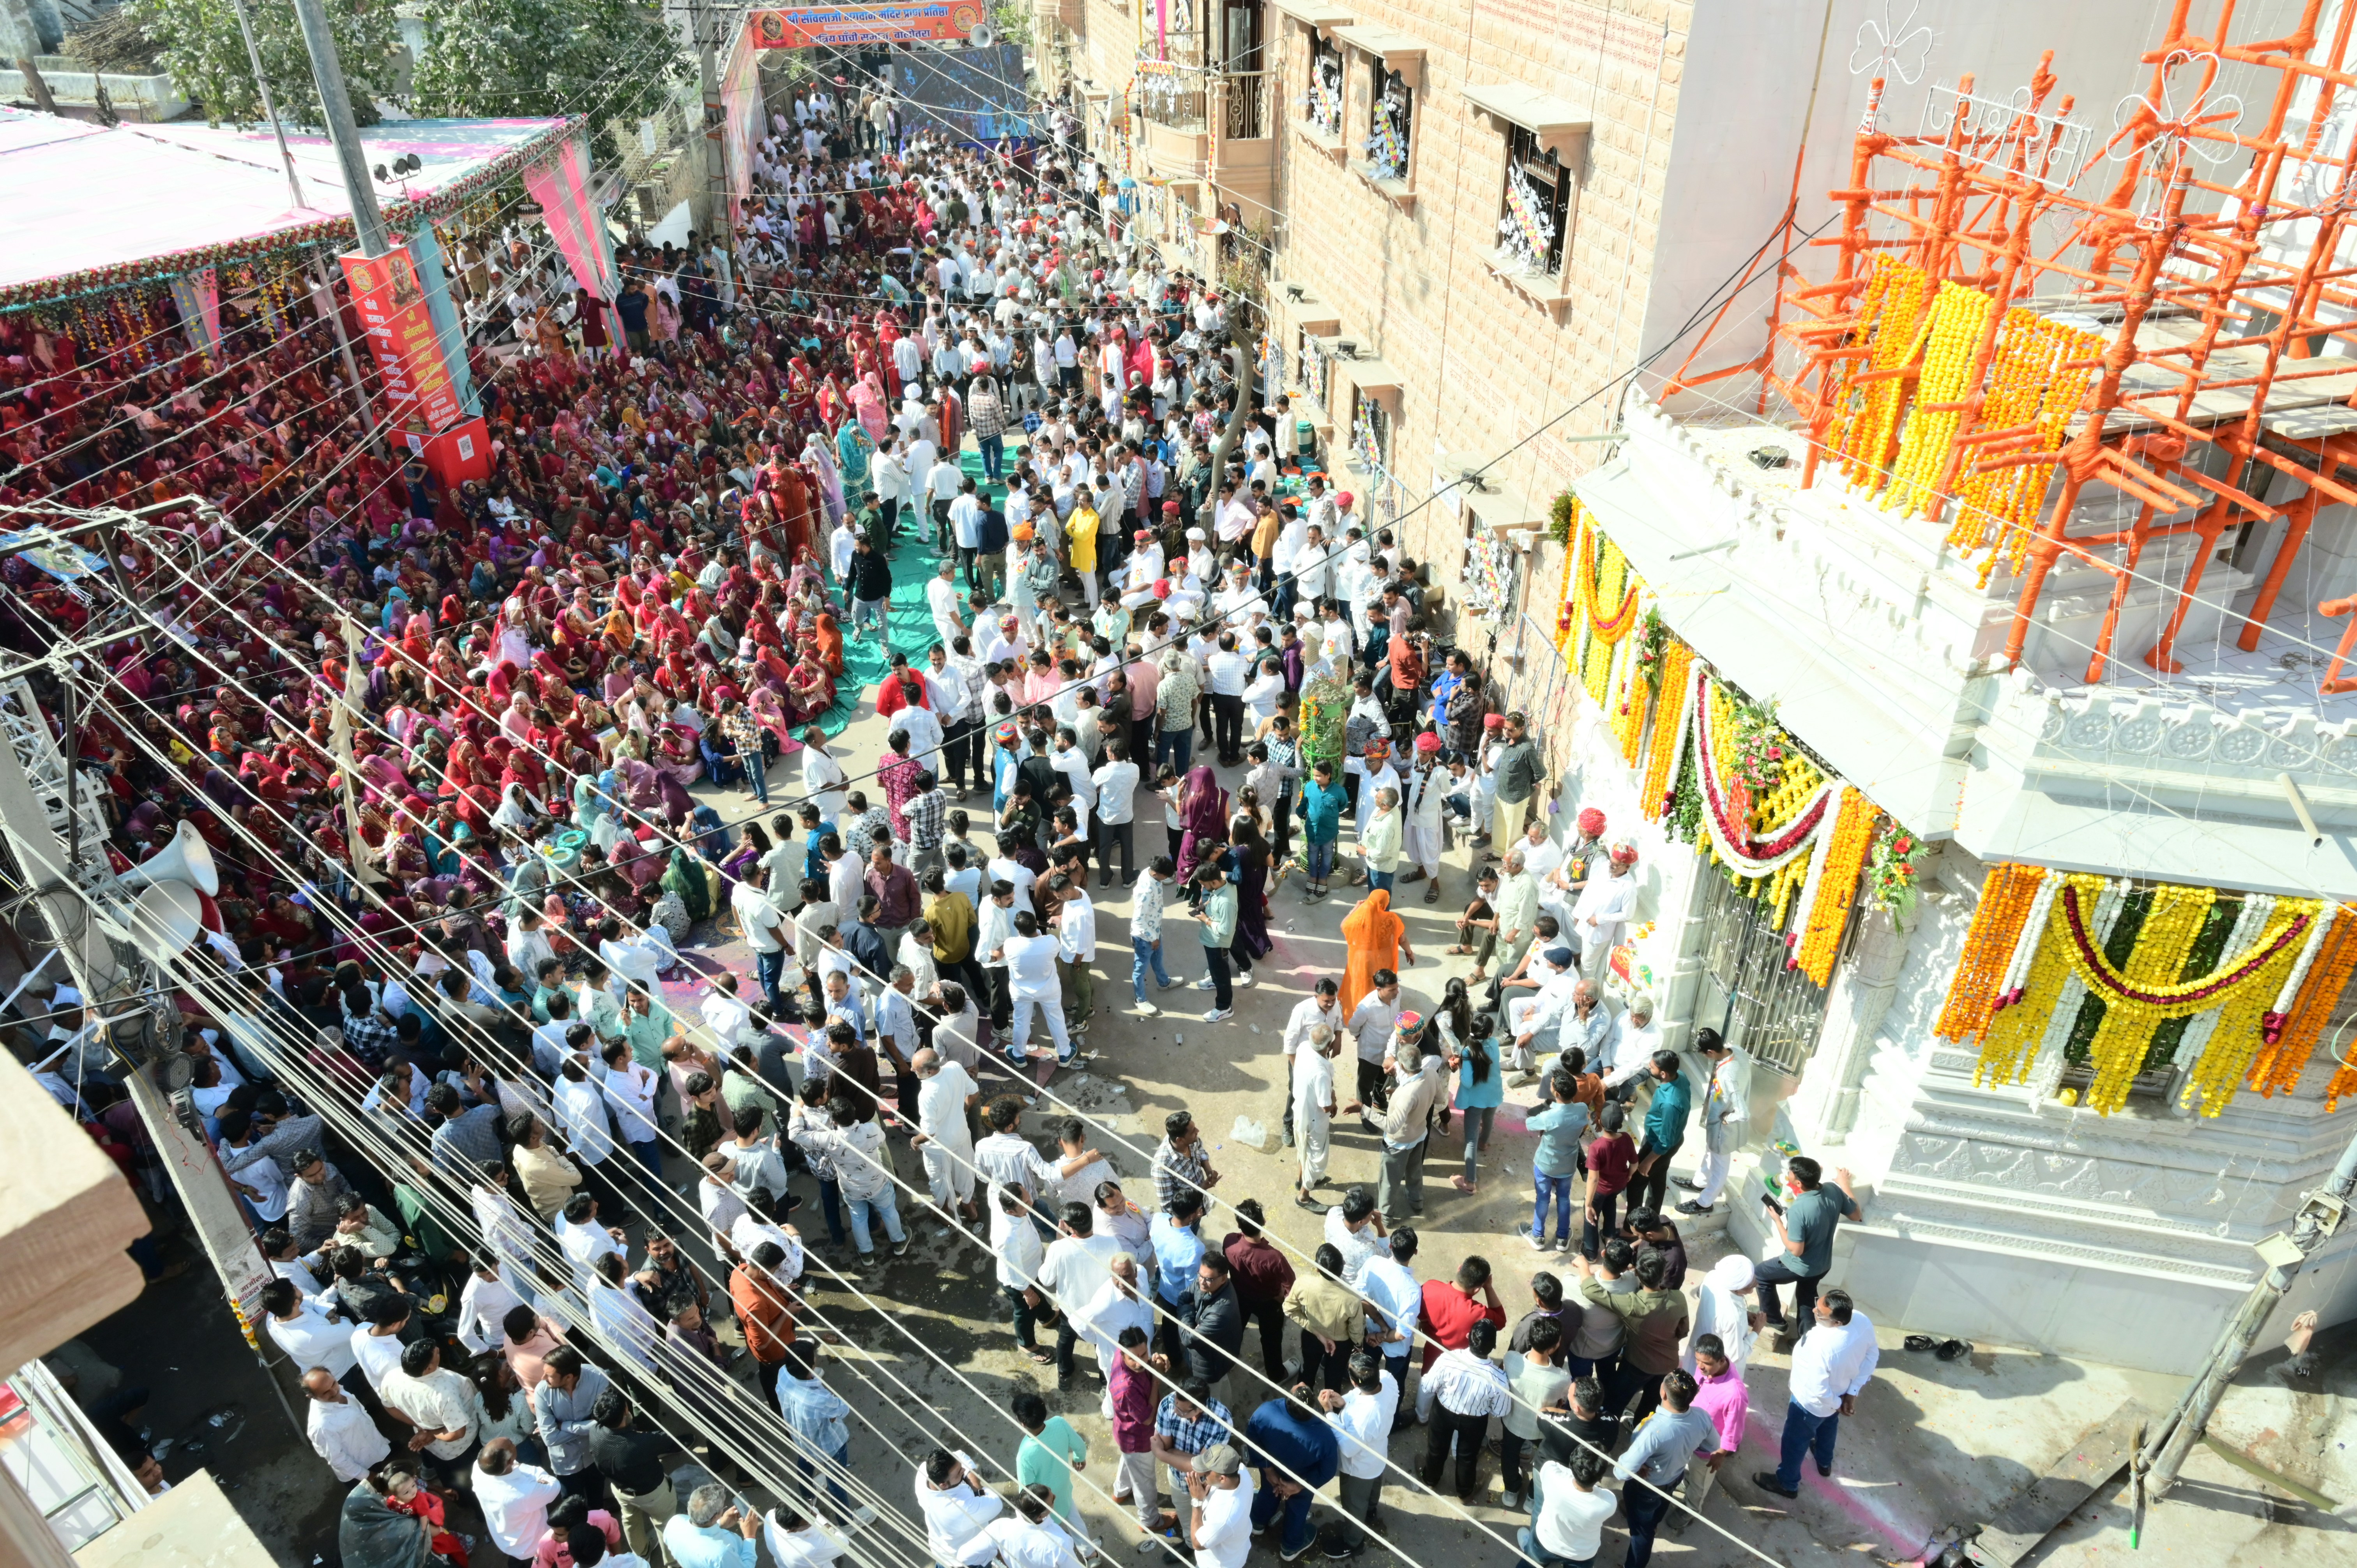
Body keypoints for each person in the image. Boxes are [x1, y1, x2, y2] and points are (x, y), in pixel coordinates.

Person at [1754, 1289, 1878, 1499]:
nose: (1814, 1311)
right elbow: (1872, 1355)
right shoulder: (1862, 1321)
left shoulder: (1822, 1346)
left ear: (1837, 1322)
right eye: (1817, 1305)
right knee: (1829, 1426)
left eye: (1820, 1313)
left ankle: (1787, 1483)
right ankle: (1824, 1462)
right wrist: (1851, 1393)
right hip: (1839, 1393)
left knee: (1795, 1441)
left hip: (1809, 1403)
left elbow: (1818, 1389)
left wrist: (1836, 1403)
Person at [1612, 1369, 1717, 1568]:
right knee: (1660, 1506)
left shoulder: (1654, 1430)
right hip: (1674, 1477)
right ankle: (1652, 1522)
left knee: (1642, 1533)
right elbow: (1713, 1445)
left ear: (1664, 1394)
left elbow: (1621, 1472)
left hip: (1647, 1487)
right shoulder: (1702, 1417)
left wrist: (1640, 1463)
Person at [1755, 1157, 1860, 1343]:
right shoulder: (1833, 1189)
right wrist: (1844, 1183)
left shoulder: (1799, 1209)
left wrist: (1778, 1221)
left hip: (1799, 1266)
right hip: (1822, 1264)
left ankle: (1775, 1320)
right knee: (1806, 1298)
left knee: (1761, 1275)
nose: (1788, 1174)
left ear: (1798, 1183)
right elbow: (1856, 1215)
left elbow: (1796, 1250)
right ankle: (1806, 1340)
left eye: (1790, 1173)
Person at [1240, 1383, 1339, 1561]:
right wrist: (1298, 1486)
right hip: (1302, 1478)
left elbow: (1252, 1438)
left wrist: (1269, 1470)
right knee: (1298, 1509)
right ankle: (1290, 1548)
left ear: (1288, 1404)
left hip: (1272, 1470)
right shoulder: (1325, 1436)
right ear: (1312, 1409)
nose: (1302, 1384)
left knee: (1268, 1491)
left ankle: (1257, 1522)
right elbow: (1328, 1471)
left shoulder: (1266, 1412)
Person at [1317, 1349, 1398, 1552]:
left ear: (1354, 1383)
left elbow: (1347, 1448)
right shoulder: (1388, 1380)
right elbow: (1360, 1397)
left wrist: (1329, 1412)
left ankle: (1353, 1542)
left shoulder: (1365, 1418)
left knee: (1354, 1504)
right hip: (1378, 1456)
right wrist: (1344, 1401)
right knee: (1373, 1489)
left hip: (1359, 1468)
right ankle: (1371, 1512)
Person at [1421, 1317, 1511, 1500]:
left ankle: (1430, 1479)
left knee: (1436, 1448)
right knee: (1467, 1457)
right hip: (1475, 1422)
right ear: (1493, 1346)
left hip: (1443, 1412)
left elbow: (1428, 1387)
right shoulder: (1500, 1379)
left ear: (1469, 1336)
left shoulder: (1447, 1359)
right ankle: (1464, 1491)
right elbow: (1501, 1411)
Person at [1502, 1317, 1572, 1510]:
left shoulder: (1511, 1359)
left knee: (1509, 1455)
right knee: (1543, 1462)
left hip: (1512, 1421)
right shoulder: (1561, 1378)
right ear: (1554, 1347)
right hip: (1541, 1430)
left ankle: (1511, 1492)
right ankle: (1532, 1498)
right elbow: (1563, 1401)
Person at [1678, 1333, 1748, 1524]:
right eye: (1698, 1360)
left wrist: (1721, 1453)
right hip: (1693, 1435)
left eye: (1706, 1364)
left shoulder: (1735, 1394)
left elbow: (1734, 1428)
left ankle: (1691, 1510)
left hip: (1708, 1449)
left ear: (1721, 1360)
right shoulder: (1709, 1370)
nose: (1700, 1367)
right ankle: (1688, 1485)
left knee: (1700, 1482)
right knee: (1690, 1470)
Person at [1677, 1029, 1747, 1217]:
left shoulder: (1727, 1075)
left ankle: (1705, 1202)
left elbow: (1743, 1113)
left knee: (1720, 1166)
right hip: (1716, 1123)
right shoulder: (1736, 1051)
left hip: (1723, 1129)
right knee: (1710, 1153)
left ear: (1710, 1053)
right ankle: (1699, 1182)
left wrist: (1727, 1119)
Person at [1526, 1068, 1591, 1254]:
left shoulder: (1549, 1116)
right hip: (1568, 1165)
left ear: (1556, 1093)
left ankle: (1538, 1235)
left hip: (1545, 1164)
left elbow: (1530, 1124)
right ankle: (1562, 1237)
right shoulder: (1582, 1109)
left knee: (1543, 1199)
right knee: (1564, 1199)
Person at [1012, 1390, 1092, 1542]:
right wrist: (1079, 1459)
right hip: (1064, 1490)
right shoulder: (1059, 1423)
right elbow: (1080, 1445)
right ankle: (1091, 1554)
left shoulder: (1025, 1455)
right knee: (1076, 1522)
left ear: (1022, 1423)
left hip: (1045, 1504)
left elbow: (1026, 1492)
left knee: (1053, 1537)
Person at [1522, 1445, 1616, 1568]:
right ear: (1600, 1475)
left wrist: (1576, 1471)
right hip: (1582, 1555)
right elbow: (1603, 1492)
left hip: (1546, 1542)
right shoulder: (1609, 1502)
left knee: (1529, 1565)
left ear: (1572, 1464)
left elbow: (1552, 1465)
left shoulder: (1552, 1476)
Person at [477, 1437, 564, 1562]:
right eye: (511, 1444)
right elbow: (555, 1486)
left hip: (506, 1541)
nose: (512, 1441)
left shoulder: (479, 1472)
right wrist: (536, 1480)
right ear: (510, 1461)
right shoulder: (524, 1493)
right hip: (531, 1547)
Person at [1629, 1049, 1692, 1218]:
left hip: (1659, 1145)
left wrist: (1647, 1162)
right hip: (1668, 1138)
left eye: (1652, 1067)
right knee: (1658, 1179)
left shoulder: (1670, 1104)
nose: (1649, 1069)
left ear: (1663, 1074)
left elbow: (1665, 1141)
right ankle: (1653, 1216)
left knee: (1636, 1183)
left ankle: (1631, 1227)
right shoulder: (1681, 1076)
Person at [303, 1365, 390, 1483]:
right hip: (361, 1472)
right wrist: (369, 1477)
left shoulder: (340, 1390)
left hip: (373, 1450)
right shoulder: (321, 1426)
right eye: (326, 1393)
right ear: (312, 1397)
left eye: (333, 1384)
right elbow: (338, 1460)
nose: (334, 1392)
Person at [1338, 889, 1410, 1019]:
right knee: (1380, 985)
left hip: (1360, 960)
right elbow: (1402, 939)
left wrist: (1356, 908)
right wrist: (1409, 953)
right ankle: (1379, 1015)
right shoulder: (1392, 920)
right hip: (1383, 961)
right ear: (1385, 903)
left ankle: (1358, 1016)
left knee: (1360, 986)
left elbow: (1344, 926)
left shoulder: (1357, 919)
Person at [1183, 1442, 1255, 1568]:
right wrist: (1208, 1484)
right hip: (1236, 1551)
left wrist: (1197, 1501)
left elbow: (1197, 1543)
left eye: (1206, 1473)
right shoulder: (1242, 1472)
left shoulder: (1224, 1517)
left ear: (1222, 1479)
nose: (1202, 1475)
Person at [1581, 1103, 1636, 1260]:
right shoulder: (1626, 1138)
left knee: (1591, 1217)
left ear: (1600, 1122)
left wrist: (1588, 1204)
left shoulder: (1597, 1147)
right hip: (1618, 1185)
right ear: (1621, 1123)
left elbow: (1593, 1178)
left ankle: (1591, 1252)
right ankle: (1609, 1238)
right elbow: (1634, 1163)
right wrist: (1630, 1176)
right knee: (1610, 1204)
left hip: (1600, 1190)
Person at [663, 1483, 762, 1568]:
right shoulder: (722, 1554)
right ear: (715, 1517)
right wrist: (750, 1536)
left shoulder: (674, 1523)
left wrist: (720, 1524)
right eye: (723, 1507)